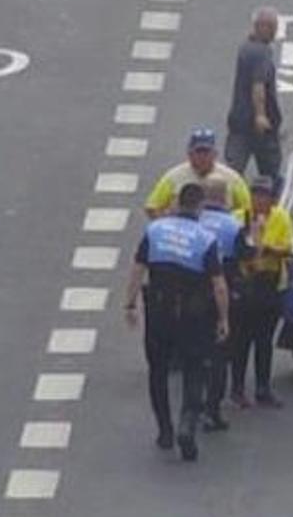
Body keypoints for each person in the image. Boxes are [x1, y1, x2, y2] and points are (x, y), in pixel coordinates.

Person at [122, 183, 230, 462]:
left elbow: (137, 268)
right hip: (193, 316)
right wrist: (223, 318)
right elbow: (219, 285)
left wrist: (130, 303)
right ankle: (187, 424)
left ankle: (165, 430)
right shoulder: (206, 239)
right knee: (195, 370)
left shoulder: (155, 230)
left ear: (176, 204)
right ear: (200, 207)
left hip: (158, 312)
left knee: (157, 371)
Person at [229, 175, 293, 409]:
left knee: (264, 340)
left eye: (264, 195)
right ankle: (236, 388)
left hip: (270, 282)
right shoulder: (237, 218)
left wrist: (267, 248)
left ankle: (263, 388)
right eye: (256, 195)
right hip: (245, 283)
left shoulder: (280, 217)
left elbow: (287, 247)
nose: (260, 200)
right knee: (240, 340)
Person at [196, 179, 248, 432]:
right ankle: (212, 410)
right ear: (225, 198)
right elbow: (246, 256)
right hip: (221, 295)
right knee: (220, 356)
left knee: (194, 354)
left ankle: (192, 405)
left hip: (191, 294)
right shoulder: (233, 225)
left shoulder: (194, 222)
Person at [225, 7, 283, 178]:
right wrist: (260, 115)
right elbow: (258, 85)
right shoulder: (261, 52)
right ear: (261, 27)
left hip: (238, 121)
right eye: (272, 27)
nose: (274, 32)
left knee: (233, 171)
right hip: (257, 127)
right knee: (270, 173)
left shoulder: (246, 47)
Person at [145, 129, 252, 219]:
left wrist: (233, 222)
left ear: (215, 154)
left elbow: (248, 209)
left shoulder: (232, 178)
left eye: (206, 152)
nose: (202, 157)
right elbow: (152, 207)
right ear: (190, 154)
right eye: (198, 152)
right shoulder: (174, 177)